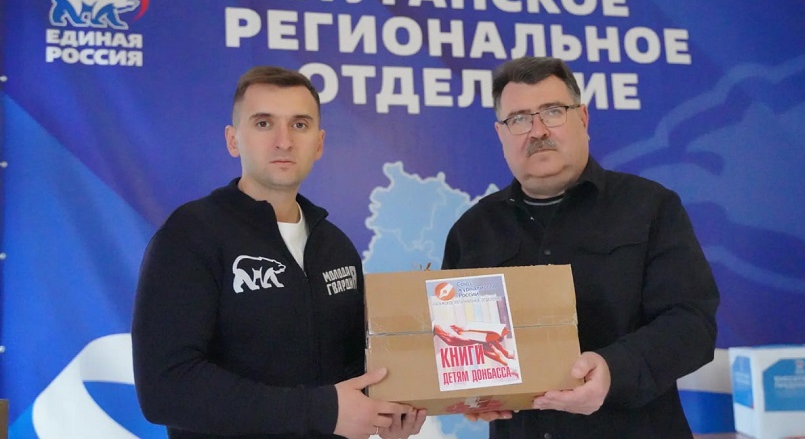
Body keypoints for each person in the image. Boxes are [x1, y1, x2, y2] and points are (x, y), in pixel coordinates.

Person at [132, 66, 426, 439]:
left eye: (299, 125)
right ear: (233, 140)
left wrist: (386, 413)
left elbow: (352, 378)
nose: (284, 141)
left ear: (319, 143)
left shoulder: (336, 247)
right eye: (264, 123)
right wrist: (322, 411)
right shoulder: (191, 236)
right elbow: (166, 388)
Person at [441, 56, 720, 438]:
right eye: (519, 119)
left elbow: (692, 324)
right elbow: (458, 344)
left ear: (583, 118)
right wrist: (472, 393)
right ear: (500, 134)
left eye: (553, 112)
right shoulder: (471, 231)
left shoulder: (650, 207)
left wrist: (613, 370)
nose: (538, 130)